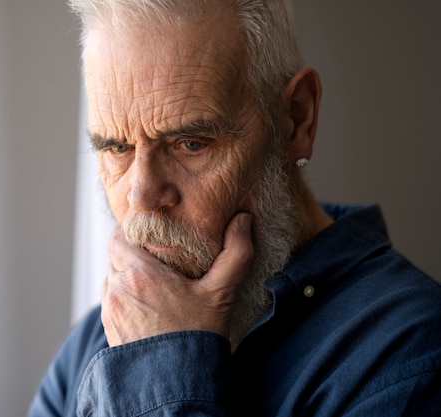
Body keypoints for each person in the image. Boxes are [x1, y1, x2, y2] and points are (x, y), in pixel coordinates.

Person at [30, 0, 441, 415]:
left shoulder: (412, 354)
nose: (141, 199)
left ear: (296, 120)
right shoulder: (96, 340)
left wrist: (159, 367)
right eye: (117, 147)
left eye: (190, 144)